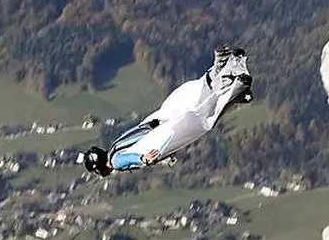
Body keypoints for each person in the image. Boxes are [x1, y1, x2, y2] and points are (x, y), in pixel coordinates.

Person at [80, 46, 254, 177]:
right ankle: (220, 68)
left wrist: (143, 160)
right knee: (194, 100)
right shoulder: (115, 146)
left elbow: (129, 158)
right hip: (158, 120)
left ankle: (236, 87)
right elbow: (137, 133)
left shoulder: (115, 161)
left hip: (160, 135)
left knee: (201, 119)